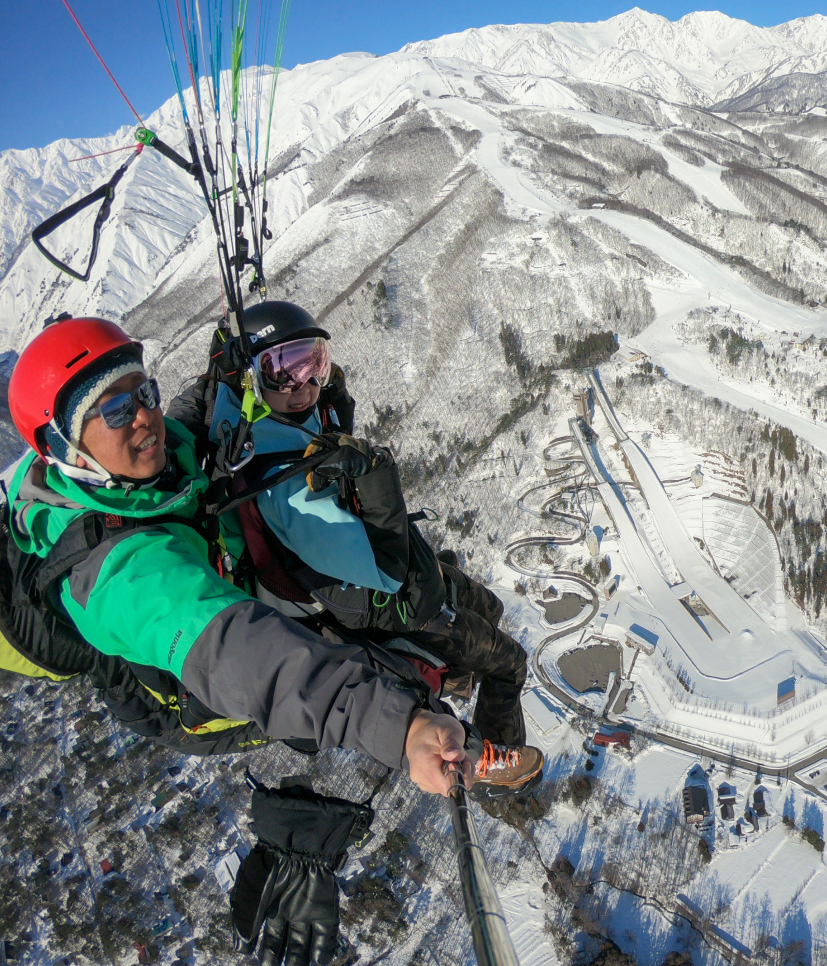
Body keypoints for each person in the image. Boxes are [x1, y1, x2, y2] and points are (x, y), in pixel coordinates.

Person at [4, 314, 474, 796]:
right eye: (117, 409)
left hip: (219, 576)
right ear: (62, 446)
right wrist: (401, 729)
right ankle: (457, 739)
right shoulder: (118, 576)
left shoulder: (144, 461)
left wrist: (223, 372)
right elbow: (244, 656)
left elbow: (190, 419)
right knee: (363, 678)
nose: (145, 416)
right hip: (194, 693)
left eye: (145, 393)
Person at [168, 301, 542, 796]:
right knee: (510, 663)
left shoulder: (254, 419)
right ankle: (493, 764)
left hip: (390, 572)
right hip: (388, 604)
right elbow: (397, 585)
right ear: (254, 379)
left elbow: (254, 386)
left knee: (489, 608)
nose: (303, 383)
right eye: (283, 371)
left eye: (313, 362)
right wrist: (378, 476)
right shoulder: (285, 491)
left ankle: (455, 677)